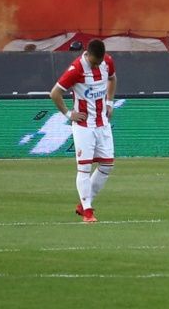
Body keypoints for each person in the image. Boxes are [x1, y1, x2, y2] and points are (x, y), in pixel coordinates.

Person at [50, 39, 118, 223]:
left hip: (102, 123)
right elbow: (54, 93)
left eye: (100, 62)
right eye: (95, 62)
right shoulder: (76, 69)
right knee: (84, 168)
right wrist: (68, 113)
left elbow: (112, 78)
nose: (98, 65)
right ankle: (88, 211)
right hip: (84, 125)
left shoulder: (107, 61)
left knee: (107, 165)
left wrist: (110, 102)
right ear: (87, 54)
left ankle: (83, 204)